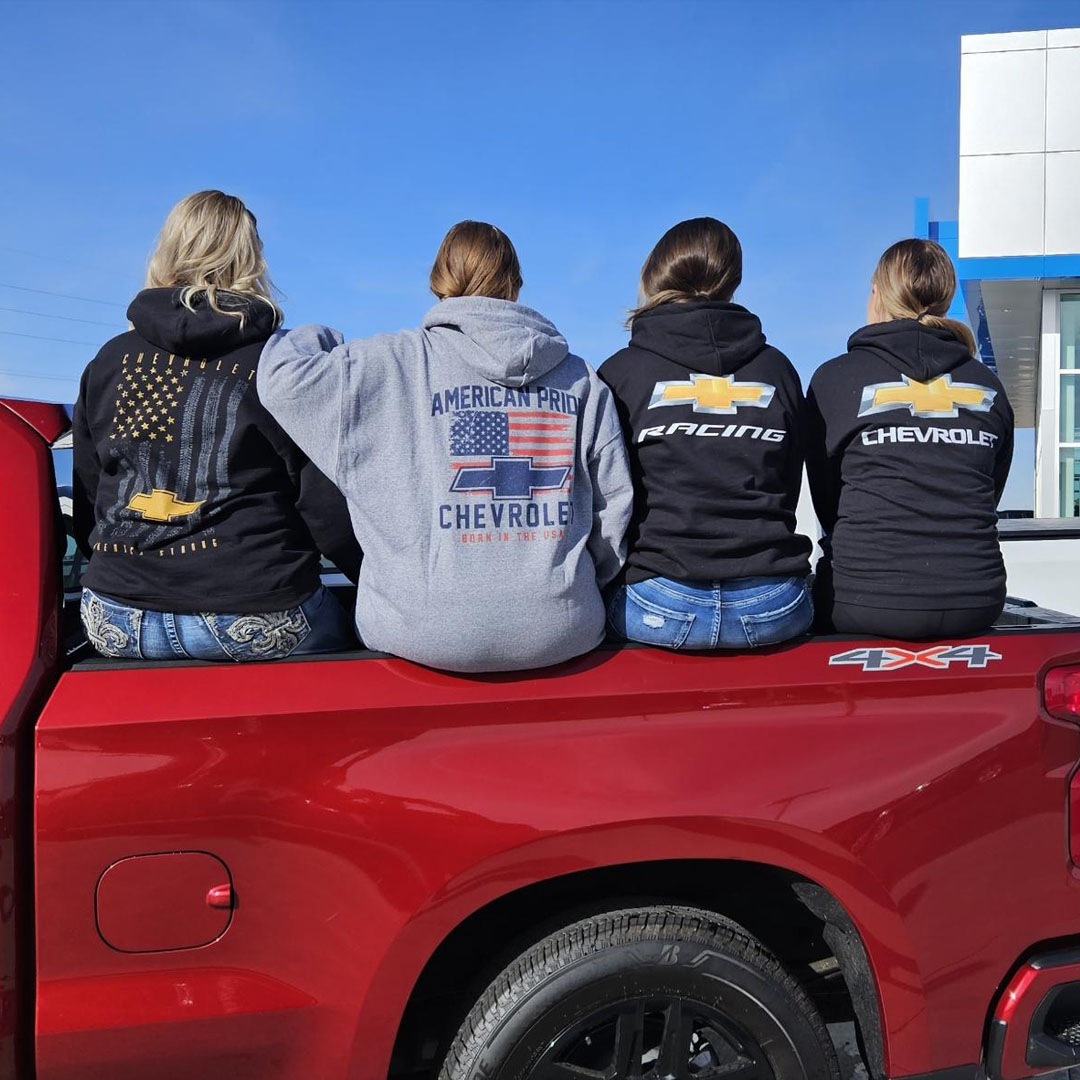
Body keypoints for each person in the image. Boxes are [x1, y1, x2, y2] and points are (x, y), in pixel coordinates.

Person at [258, 220, 633, 673]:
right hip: (562, 629)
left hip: (417, 631)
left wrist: (326, 337)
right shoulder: (579, 379)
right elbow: (612, 515)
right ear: (513, 285)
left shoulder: (392, 361)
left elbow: (282, 378)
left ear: (439, 280)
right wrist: (566, 588)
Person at [73, 190, 360, 662]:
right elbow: (323, 506)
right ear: (250, 257)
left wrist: (122, 572)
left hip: (117, 619)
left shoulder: (109, 361)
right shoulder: (277, 362)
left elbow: (90, 490)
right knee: (370, 637)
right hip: (254, 614)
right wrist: (372, 574)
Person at [599, 217, 813, 650]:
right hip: (772, 604)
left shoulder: (621, 373)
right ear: (732, 280)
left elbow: (607, 500)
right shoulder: (778, 370)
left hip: (657, 604)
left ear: (656, 276)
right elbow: (788, 486)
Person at [806, 238, 1014, 639]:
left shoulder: (835, 379)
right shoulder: (987, 385)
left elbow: (828, 501)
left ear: (878, 293)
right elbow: (989, 492)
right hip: (976, 599)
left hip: (861, 602)